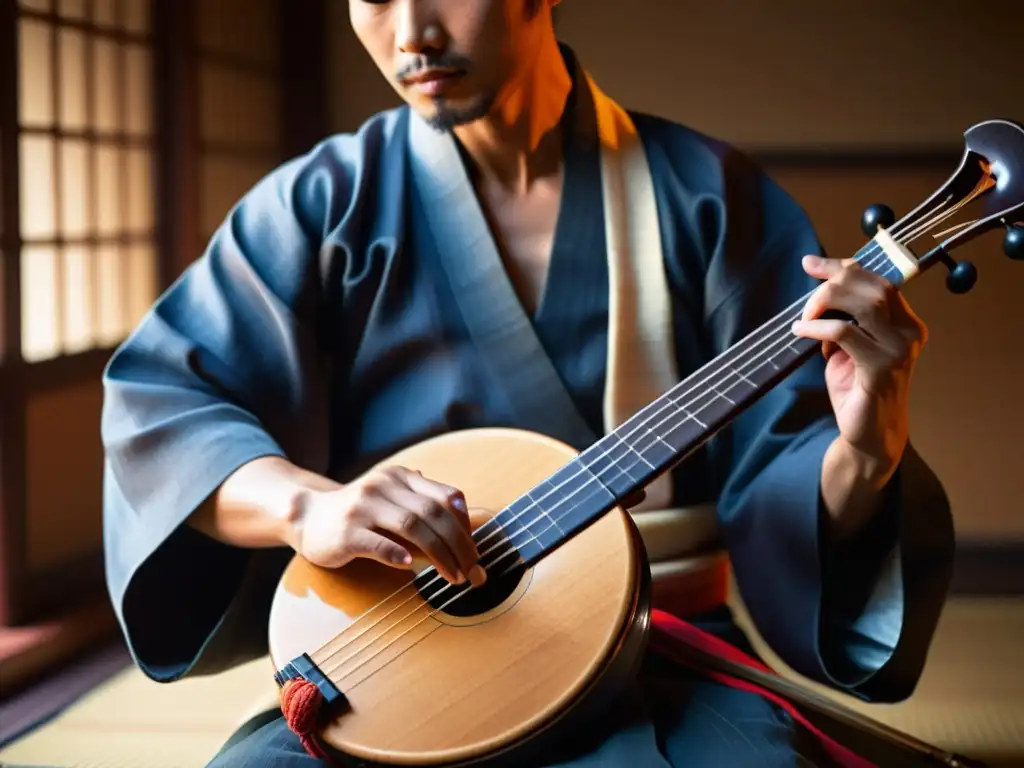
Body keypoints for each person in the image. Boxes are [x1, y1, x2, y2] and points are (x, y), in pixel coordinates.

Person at [101, 1, 955, 765]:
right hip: (402, 657)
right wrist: (308, 507)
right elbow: (163, 409)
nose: (411, 34)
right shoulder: (323, 205)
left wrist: (868, 446)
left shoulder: (706, 198)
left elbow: (788, 484)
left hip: (661, 649)